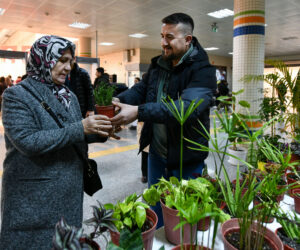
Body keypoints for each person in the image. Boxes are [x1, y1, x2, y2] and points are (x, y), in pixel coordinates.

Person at [0, 35, 113, 249]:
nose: (68, 67)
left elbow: (70, 133)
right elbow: (28, 141)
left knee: (66, 241)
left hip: (69, 191)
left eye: (70, 61)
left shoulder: (68, 95)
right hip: (34, 197)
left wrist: (99, 131)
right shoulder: (16, 95)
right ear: (43, 59)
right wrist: (81, 127)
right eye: (61, 60)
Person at [111, 13, 216, 227]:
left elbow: (186, 109)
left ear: (187, 39)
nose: (163, 43)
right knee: (156, 212)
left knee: (184, 219)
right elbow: (142, 89)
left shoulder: (203, 71)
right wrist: (118, 102)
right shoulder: (159, 64)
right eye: (161, 36)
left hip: (187, 158)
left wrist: (139, 112)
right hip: (157, 155)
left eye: (169, 37)